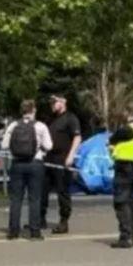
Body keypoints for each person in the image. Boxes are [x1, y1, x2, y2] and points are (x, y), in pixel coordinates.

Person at [2, 99, 52, 240]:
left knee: (16, 199)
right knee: (34, 199)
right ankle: (35, 232)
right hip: (35, 163)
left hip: (17, 164)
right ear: (33, 110)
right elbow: (49, 146)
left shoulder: (13, 125)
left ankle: (13, 231)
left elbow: (4, 145)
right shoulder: (40, 126)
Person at [108, 102, 133, 249]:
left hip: (124, 167)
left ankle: (126, 236)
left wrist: (112, 148)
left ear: (127, 113)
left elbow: (112, 140)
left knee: (120, 201)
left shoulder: (126, 130)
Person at [42, 94, 82, 233]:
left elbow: (77, 137)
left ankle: (64, 222)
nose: (52, 105)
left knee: (62, 191)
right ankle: (40, 219)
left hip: (62, 159)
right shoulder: (50, 119)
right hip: (48, 158)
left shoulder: (70, 118)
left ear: (63, 102)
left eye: (55, 102)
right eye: (51, 103)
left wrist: (71, 156)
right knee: (43, 190)